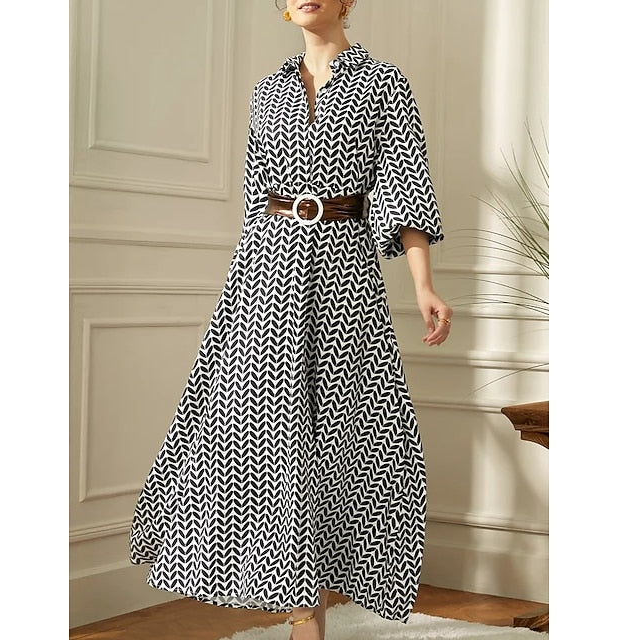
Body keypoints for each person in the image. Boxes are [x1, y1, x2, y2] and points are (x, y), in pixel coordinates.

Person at [129, 1, 453, 639]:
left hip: (344, 267)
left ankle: (324, 600)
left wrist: (423, 285)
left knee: (350, 438)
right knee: (269, 442)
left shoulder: (384, 82)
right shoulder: (266, 92)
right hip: (266, 270)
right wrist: (244, 282)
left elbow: (407, 189)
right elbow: (256, 197)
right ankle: (305, 620)